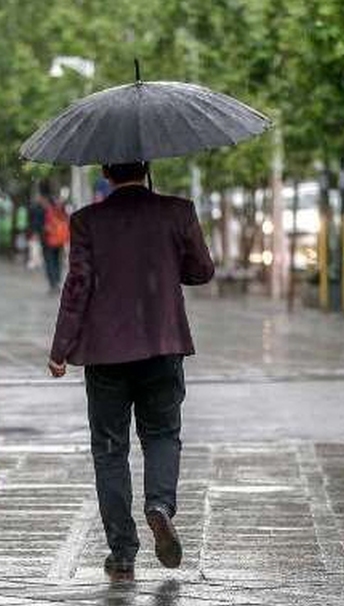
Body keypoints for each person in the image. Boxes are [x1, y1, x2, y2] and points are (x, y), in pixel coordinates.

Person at [47, 161, 214, 579]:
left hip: (106, 353)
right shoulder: (177, 211)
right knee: (161, 435)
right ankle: (159, 505)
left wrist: (60, 347)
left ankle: (122, 552)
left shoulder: (87, 221)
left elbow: (77, 286)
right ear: (148, 166)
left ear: (106, 170)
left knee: (109, 451)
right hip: (162, 345)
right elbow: (202, 271)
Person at [29, 180, 69, 292]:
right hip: (58, 235)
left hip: (46, 236)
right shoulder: (56, 202)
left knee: (49, 260)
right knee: (57, 259)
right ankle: (57, 281)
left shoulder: (39, 203)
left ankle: (52, 284)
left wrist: (35, 233)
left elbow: (36, 221)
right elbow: (64, 217)